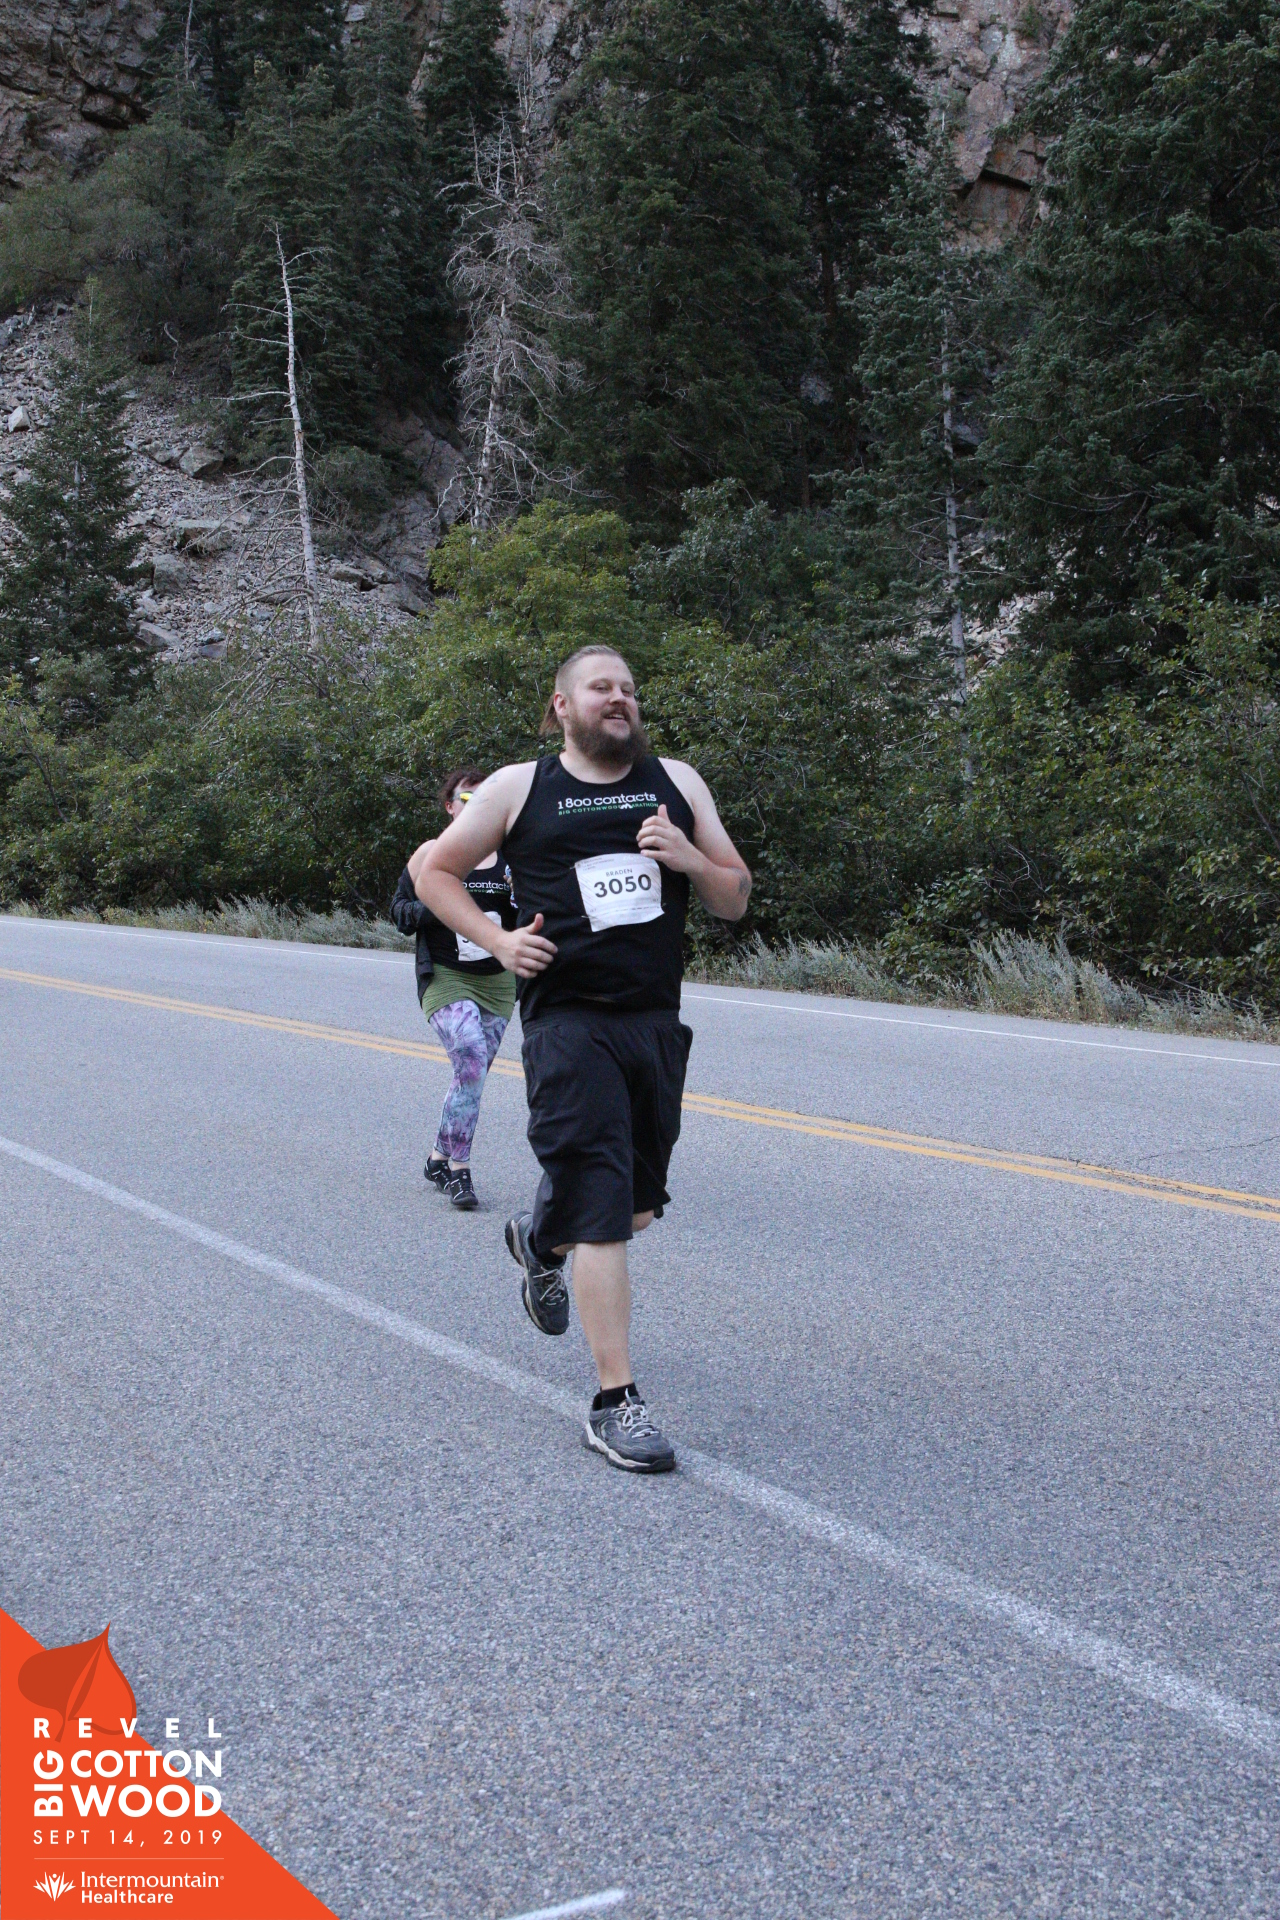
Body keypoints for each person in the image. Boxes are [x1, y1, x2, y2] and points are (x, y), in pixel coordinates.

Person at [416, 647, 751, 1471]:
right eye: (602, 687)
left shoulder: (678, 782)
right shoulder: (517, 788)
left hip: (653, 1022)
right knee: (602, 1205)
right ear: (562, 705)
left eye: (629, 689)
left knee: (632, 1211)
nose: (620, 699)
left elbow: (735, 898)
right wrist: (497, 941)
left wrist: (689, 859)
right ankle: (614, 1402)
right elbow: (434, 872)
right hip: (567, 1022)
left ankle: (541, 1239)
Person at [393, 766, 519, 1210]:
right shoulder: (431, 854)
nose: (475, 804)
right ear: (450, 806)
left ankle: (437, 1158)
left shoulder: (510, 859)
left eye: (484, 797)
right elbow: (400, 913)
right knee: (471, 1056)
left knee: (472, 1075)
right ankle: (459, 1171)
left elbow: (529, 916)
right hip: (446, 977)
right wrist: (442, 906)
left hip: (497, 983)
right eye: (466, 798)